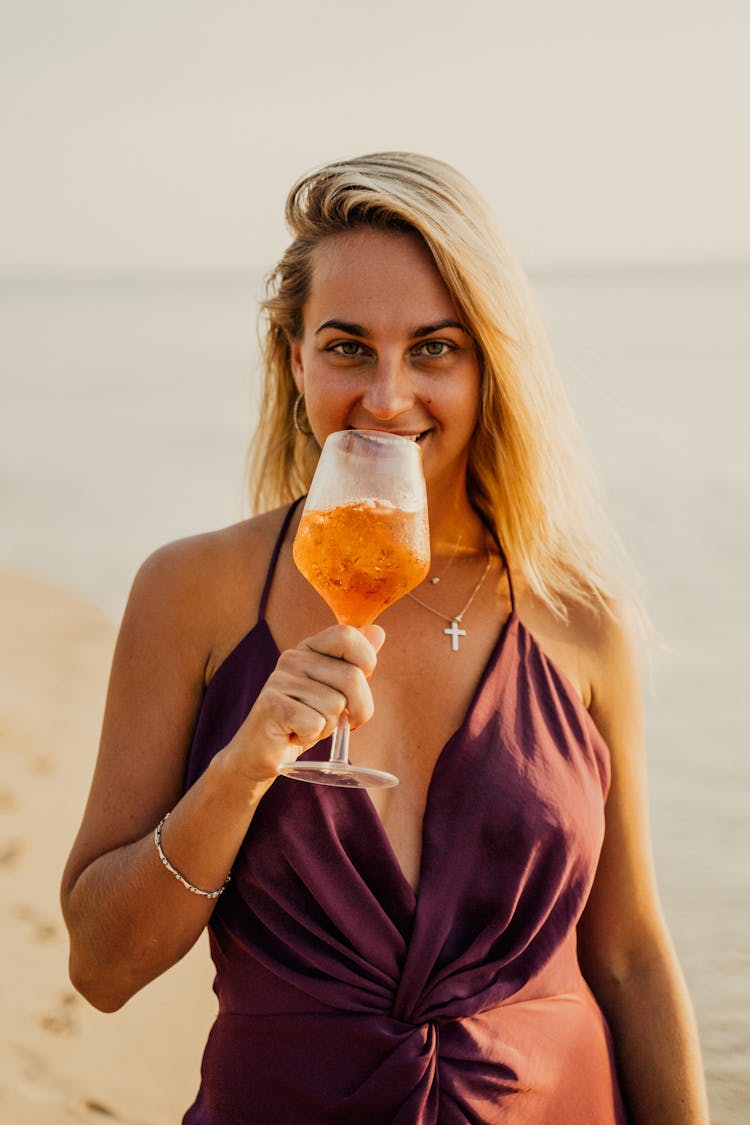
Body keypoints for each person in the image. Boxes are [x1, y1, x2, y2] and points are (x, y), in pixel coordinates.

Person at [61, 152, 709, 1124]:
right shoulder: (191, 591)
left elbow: (629, 955)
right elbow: (101, 969)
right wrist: (244, 766)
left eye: (436, 348)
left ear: (493, 363)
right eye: (349, 347)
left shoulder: (581, 616)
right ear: (295, 360)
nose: (390, 396)